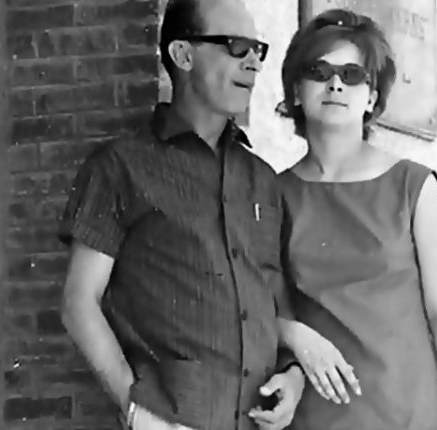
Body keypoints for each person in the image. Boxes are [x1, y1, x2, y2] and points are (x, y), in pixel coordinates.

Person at [57, 1, 305, 429]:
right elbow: (78, 302)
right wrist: (135, 412)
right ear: (183, 54)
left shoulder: (263, 180)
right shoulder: (120, 167)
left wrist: (293, 376)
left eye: (258, 50)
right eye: (236, 46)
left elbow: (275, 300)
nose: (253, 62)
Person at [272, 8, 437, 430]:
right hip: (313, 415)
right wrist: (291, 334)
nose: (335, 84)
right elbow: (257, 305)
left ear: (371, 98)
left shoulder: (414, 187)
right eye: (319, 71)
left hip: (406, 411)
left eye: (352, 75)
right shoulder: (272, 194)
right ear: (296, 91)